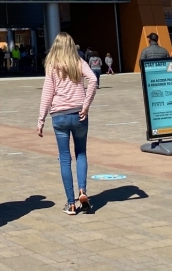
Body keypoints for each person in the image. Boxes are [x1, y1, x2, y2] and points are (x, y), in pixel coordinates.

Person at [37, 33, 97, 215]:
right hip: (79, 113)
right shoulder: (78, 62)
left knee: (64, 158)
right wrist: (86, 105)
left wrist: (41, 119)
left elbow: (47, 94)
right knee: (81, 153)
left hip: (59, 116)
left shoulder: (52, 65)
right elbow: (93, 79)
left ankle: (70, 203)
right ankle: (82, 191)